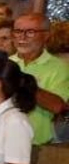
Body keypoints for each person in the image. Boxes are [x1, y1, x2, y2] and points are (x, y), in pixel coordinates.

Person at [9, 13, 68, 146]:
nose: (22, 37)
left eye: (30, 32)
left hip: (35, 142)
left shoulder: (59, 67)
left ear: (46, 35)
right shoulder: (6, 62)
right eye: (18, 31)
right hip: (0, 139)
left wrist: (23, 82)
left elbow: (58, 106)